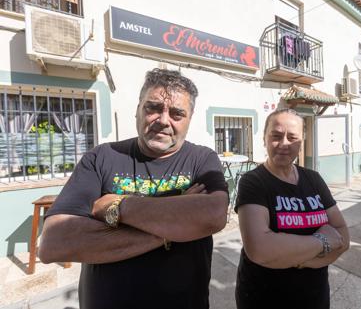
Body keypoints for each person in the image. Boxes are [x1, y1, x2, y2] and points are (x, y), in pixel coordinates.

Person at [39, 68, 229, 309]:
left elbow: (213, 216)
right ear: (138, 109)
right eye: (153, 108)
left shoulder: (201, 159)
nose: (163, 120)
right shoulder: (101, 157)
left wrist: (117, 206)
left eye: (177, 113)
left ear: (189, 120)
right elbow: (55, 243)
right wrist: (176, 226)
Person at [234, 108, 350, 309]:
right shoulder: (253, 182)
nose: (284, 144)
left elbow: (343, 238)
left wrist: (296, 259)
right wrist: (322, 241)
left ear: (301, 142)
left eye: (292, 137)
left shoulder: (313, 179)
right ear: (264, 139)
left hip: (315, 297)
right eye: (276, 136)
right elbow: (260, 249)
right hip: (263, 298)